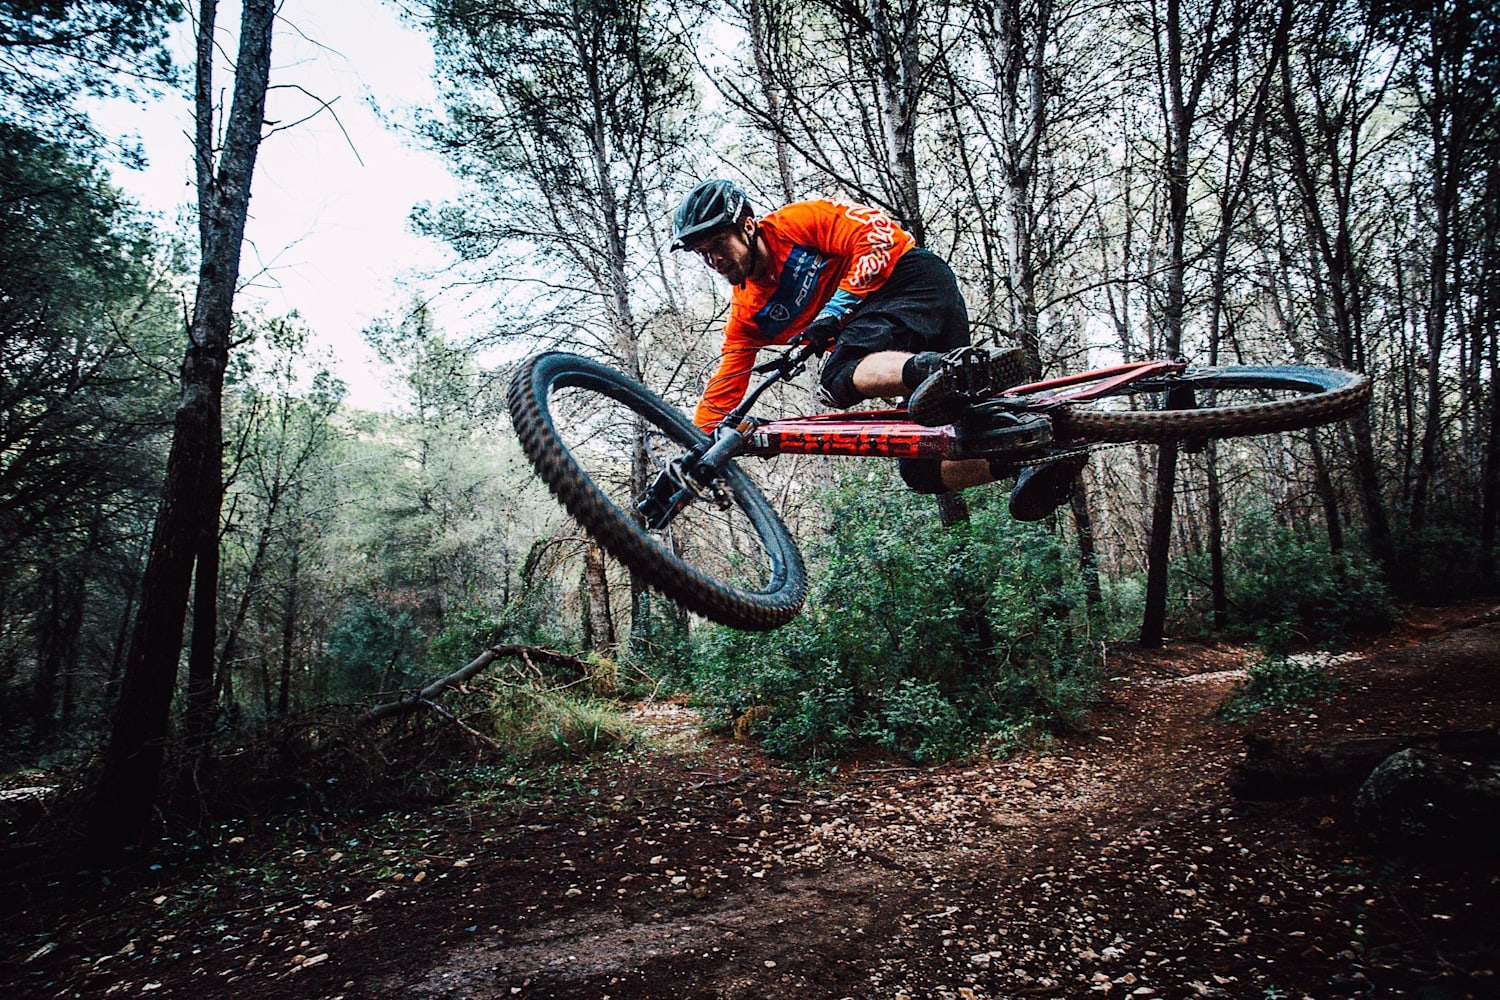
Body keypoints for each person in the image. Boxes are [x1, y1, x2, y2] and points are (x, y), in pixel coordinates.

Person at [672, 178, 1084, 521]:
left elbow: (878, 235)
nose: (713, 259)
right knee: (923, 465)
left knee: (836, 377)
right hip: (895, 342)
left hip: (913, 280)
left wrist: (833, 312)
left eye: (717, 243)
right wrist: (695, 455)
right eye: (702, 252)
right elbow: (724, 388)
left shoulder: (797, 224)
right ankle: (1035, 455)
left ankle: (950, 371)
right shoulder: (750, 313)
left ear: (747, 225)